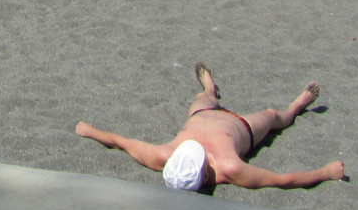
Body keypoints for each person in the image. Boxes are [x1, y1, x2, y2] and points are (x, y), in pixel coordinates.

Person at [75, 63, 344, 192]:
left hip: (202, 114)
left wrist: (89, 130)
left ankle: (209, 88)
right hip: (241, 127)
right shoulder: (229, 168)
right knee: (275, 117)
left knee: (203, 99)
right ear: (205, 174)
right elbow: (282, 180)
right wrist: (326, 172)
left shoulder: (164, 156)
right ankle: (296, 106)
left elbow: (122, 142)